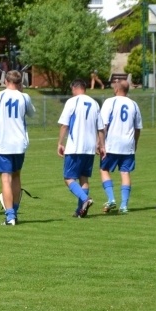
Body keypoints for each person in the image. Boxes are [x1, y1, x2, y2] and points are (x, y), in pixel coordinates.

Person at [0, 70, 36, 226]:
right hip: (19, 144)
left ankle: (10, 216)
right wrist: (22, 92)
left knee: (6, 179)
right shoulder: (24, 97)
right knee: (16, 177)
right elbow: (32, 113)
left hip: (3, 144)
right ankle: (14, 212)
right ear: (20, 83)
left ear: (5, 81)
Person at [57, 79, 102, 218]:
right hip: (89, 148)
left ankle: (85, 199)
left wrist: (60, 143)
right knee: (84, 178)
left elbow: (64, 125)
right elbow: (101, 128)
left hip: (75, 146)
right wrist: (101, 144)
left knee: (68, 178)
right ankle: (80, 211)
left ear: (75, 88)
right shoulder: (95, 103)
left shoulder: (72, 102)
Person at [99, 78, 142, 214]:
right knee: (125, 172)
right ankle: (124, 205)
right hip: (128, 144)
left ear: (117, 89)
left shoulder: (110, 102)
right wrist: (135, 143)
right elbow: (137, 128)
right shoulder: (134, 104)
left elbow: (103, 125)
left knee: (104, 169)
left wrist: (100, 143)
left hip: (112, 143)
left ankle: (111, 199)